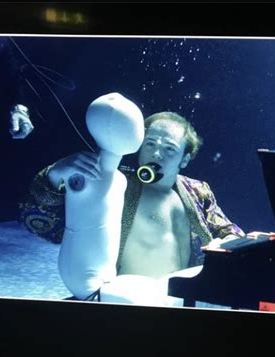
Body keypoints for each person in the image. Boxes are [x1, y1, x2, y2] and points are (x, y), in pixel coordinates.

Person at [19, 92, 244, 306]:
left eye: (169, 149)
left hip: (181, 302)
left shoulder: (198, 191)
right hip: (121, 305)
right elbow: (39, 224)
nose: (157, 154)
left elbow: (229, 232)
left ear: (185, 159)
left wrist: (225, 246)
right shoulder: (114, 185)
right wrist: (53, 175)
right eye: (150, 144)